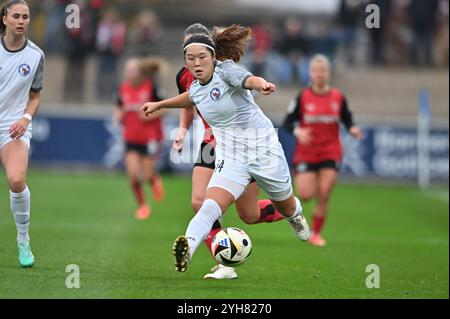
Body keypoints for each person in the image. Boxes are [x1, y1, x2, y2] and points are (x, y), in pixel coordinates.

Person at [143, 25, 311, 273]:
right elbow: (191, 97)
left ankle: (294, 214)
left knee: (284, 205)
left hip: (264, 151)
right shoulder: (196, 88)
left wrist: (259, 83)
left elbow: (245, 79)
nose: (197, 63)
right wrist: (160, 105)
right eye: (191, 59)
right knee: (209, 204)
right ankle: (187, 248)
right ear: (185, 62)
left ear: (213, 56)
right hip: (231, 157)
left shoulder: (227, 70)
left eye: (202, 57)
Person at [173, 23, 286, 279]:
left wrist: (259, 84)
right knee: (198, 202)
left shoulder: (225, 71)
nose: (194, 57)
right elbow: (188, 102)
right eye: (188, 52)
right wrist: (182, 129)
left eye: (199, 51)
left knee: (249, 214)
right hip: (210, 143)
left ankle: (288, 208)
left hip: (241, 146)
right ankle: (223, 262)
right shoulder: (183, 75)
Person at [283, 54, 362, 247]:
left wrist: (352, 128)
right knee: (306, 194)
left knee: (325, 193)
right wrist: (298, 130)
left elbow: (347, 117)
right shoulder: (303, 97)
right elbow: (287, 122)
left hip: (330, 150)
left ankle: (316, 233)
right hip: (307, 152)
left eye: (323, 70)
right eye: (315, 70)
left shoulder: (337, 97)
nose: (319, 74)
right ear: (311, 73)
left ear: (328, 73)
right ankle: (295, 217)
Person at [0, 0, 45, 267]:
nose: (21, 21)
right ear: (4, 19)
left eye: (25, 17)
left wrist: (26, 118)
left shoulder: (36, 55)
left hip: (12, 127)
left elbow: (36, 95)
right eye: (16, 15)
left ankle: (23, 240)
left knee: (17, 181)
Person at [115, 57, 165, 220]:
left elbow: (165, 108)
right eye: (127, 70)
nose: (129, 73)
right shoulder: (123, 88)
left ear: (140, 72)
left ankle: (154, 178)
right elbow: (119, 107)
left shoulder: (151, 87)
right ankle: (143, 206)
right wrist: (118, 116)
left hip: (150, 137)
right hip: (130, 137)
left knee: (145, 174)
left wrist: (149, 116)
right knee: (133, 176)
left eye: (132, 70)